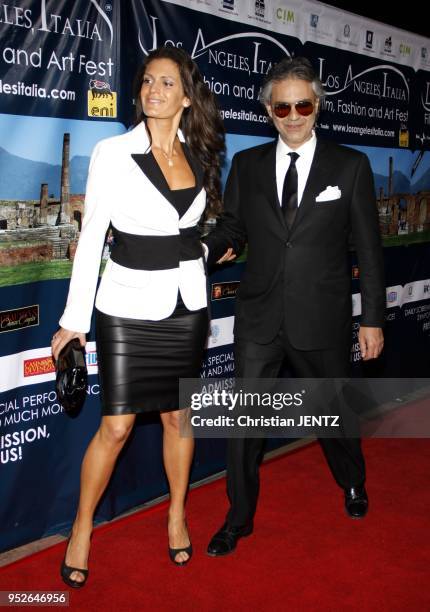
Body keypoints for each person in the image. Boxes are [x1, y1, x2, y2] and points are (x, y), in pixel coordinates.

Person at [51, 46, 225, 586]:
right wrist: (73, 320)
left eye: (167, 83)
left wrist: (206, 249)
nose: (154, 90)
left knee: (179, 418)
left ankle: (176, 513)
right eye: (148, 81)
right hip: (125, 305)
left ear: (187, 96)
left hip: (185, 305)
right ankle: (82, 526)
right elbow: (92, 240)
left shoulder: (202, 155)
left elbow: (205, 227)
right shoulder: (113, 152)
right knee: (118, 425)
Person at [203, 56, 385, 556]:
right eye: (282, 106)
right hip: (260, 315)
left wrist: (372, 317)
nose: (293, 114)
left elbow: (368, 249)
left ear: (318, 105)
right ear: (267, 111)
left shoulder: (350, 166)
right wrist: (203, 249)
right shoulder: (247, 165)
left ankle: (352, 481)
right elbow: (234, 228)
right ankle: (238, 519)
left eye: (302, 103)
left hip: (320, 315)